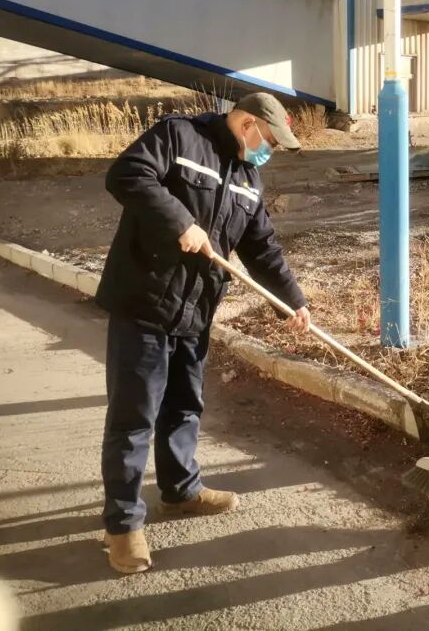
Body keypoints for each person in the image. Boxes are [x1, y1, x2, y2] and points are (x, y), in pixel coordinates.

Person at [95, 92, 310, 574]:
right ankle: (123, 525)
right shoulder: (180, 136)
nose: (270, 150)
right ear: (248, 124)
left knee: (184, 407)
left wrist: (292, 301)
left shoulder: (249, 179)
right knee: (134, 418)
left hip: (196, 311)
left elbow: (262, 248)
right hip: (145, 303)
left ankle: (181, 491)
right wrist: (181, 221)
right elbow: (126, 173)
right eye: (270, 140)